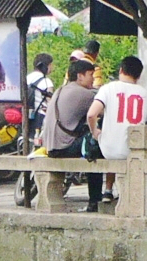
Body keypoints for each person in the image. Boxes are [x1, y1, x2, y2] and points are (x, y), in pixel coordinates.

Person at [87, 54, 147, 210]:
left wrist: (95, 131)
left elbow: (91, 114)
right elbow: (146, 123)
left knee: (103, 137)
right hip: (133, 150)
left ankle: (107, 190)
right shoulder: (146, 94)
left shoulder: (108, 88)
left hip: (108, 149)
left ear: (121, 70)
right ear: (139, 75)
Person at [40, 55, 102, 210]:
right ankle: (95, 200)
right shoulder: (83, 94)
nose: (92, 80)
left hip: (51, 147)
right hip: (64, 147)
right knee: (97, 149)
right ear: (80, 76)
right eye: (90, 75)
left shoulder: (62, 90)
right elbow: (103, 103)